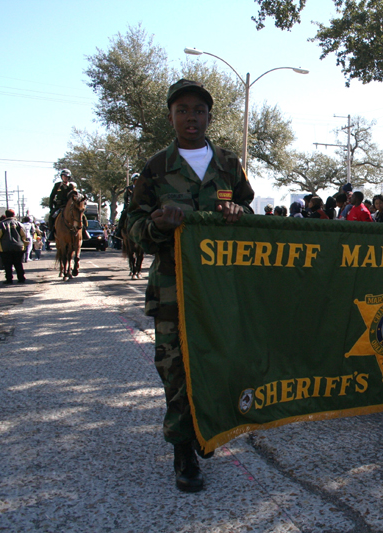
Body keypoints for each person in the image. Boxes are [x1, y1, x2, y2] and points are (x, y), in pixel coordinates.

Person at [127, 79, 254, 493]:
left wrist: (239, 212)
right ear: (171, 116)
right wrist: (156, 224)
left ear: (209, 116)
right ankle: (183, 451)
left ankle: (207, 430)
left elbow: (251, 214)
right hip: (172, 287)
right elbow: (132, 227)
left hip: (221, 289)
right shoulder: (156, 168)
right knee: (176, 369)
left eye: (198, 110)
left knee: (219, 361)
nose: (191, 117)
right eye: (182, 109)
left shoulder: (229, 165)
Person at [0, 208, 28, 284]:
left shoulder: (0, 225)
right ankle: (21, 278)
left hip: (5, 248)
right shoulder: (19, 224)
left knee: (7, 265)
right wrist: (25, 244)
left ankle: (9, 279)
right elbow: (24, 236)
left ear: (5, 215)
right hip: (18, 247)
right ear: (14, 215)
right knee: (18, 263)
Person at [48, 169, 74, 240]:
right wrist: (51, 208)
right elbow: (52, 196)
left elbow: (75, 195)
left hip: (69, 207)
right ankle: (52, 232)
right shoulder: (57, 185)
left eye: (66, 176)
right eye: (63, 176)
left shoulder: (71, 186)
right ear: (61, 177)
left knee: (81, 216)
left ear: (69, 177)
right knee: (51, 217)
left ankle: (83, 232)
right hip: (59, 206)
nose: (65, 177)